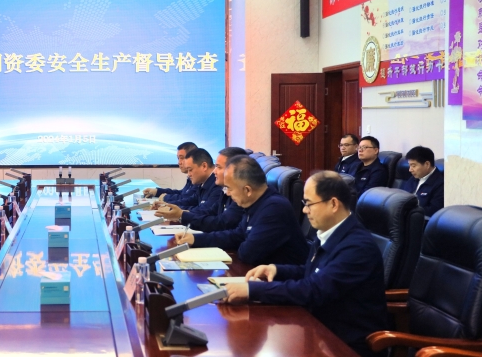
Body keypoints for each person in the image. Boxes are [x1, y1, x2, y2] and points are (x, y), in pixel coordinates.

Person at [222, 171, 387, 357]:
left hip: (345, 344)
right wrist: (276, 270)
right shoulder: (329, 232)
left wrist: (252, 290)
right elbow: (313, 272)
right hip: (319, 329)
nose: (304, 210)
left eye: (309, 204)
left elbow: (314, 290)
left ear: (333, 204)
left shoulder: (357, 247)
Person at [175, 156, 308, 266]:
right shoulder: (256, 202)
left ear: (247, 190)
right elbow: (237, 235)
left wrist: (241, 241)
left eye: (229, 188)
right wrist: (195, 239)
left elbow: (248, 253)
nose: (227, 193)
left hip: (284, 282)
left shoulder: (274, 208)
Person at [154, 147, 247, 232]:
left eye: (218, 167)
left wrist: (181, 215)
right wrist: (178, 213)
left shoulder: (224, 189)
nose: (215, 171)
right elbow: (208, 210)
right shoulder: (222, 189)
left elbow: (222, 223)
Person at [401, 146, 444, 216]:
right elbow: (402, 196)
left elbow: (433, 211)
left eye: (413, 166)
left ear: (427, 164)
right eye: (409, 166)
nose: (410, 170)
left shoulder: (440, 184)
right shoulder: (413, 178)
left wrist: (409, 211)